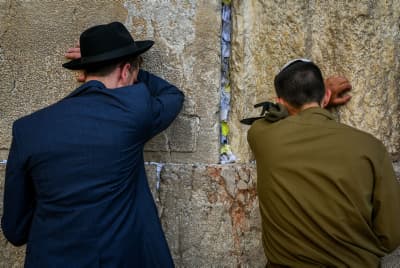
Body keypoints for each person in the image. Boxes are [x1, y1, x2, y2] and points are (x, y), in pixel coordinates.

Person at [1, 21, 184, 267]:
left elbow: (15, 230)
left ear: (84, 72)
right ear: (125, 71)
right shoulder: (134, 111)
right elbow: (172, 96)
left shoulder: (27, 129)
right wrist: (134, 69)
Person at [246, 59, 400, 267]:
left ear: (280, 101)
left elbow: (271, 115)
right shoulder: (372, 147)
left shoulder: (262, 136)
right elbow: (391, 235)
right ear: (326, 96)